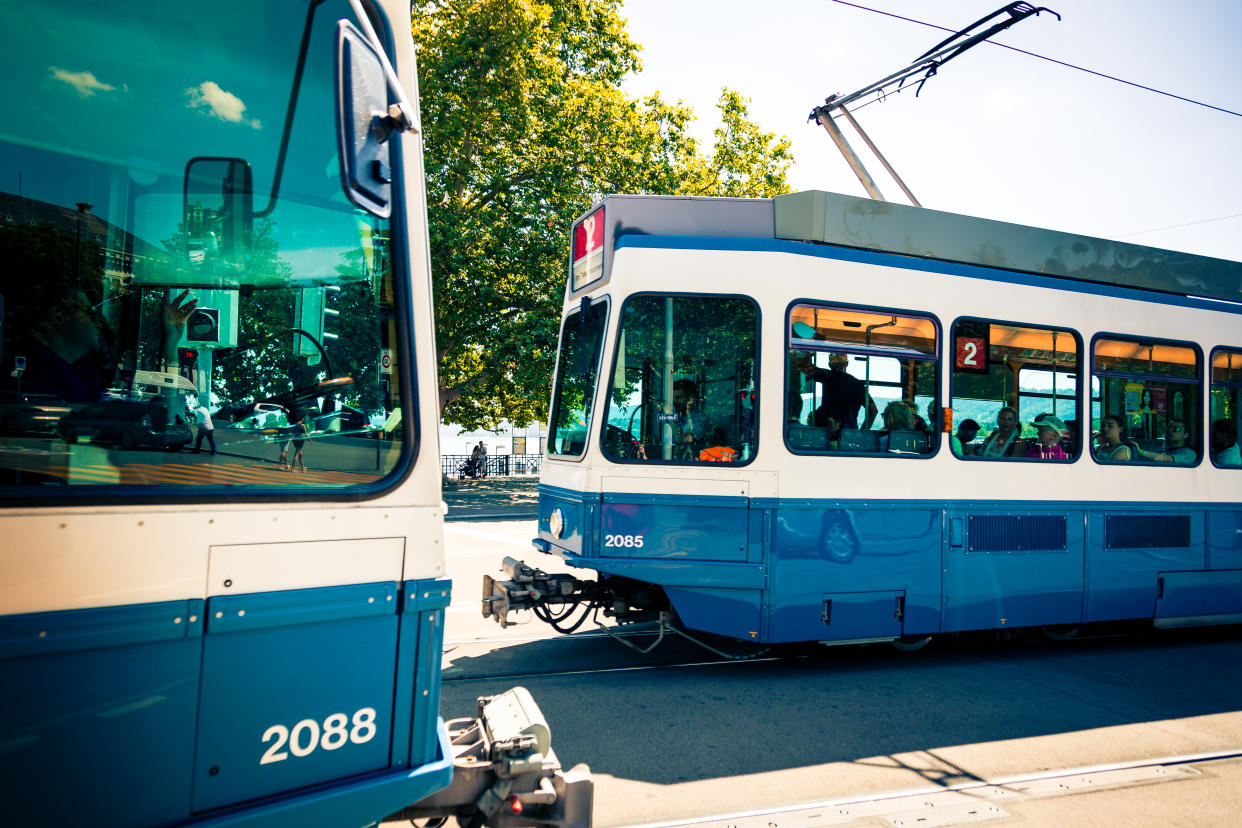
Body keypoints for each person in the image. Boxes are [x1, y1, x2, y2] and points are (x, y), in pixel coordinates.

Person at [795, 352, 877, 439]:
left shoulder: (827, 375)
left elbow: (802, 366)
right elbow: (873, 411)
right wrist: (861, 433)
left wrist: (809, 353)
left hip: (828, 433)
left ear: (830, 364)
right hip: (849, 434)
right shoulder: (858, 385)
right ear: (846, 364)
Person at [1130, 418, 1196, 464]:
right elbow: (1143, 442)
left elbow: (1166, 459)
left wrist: (1141, 452)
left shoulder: (1190, 454)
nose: (1170, 430)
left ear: (1186, 435)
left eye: (1176, 429)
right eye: (1168, 427)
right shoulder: (1160, 443)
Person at [673, 378, 708, 459]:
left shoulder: (700, 419)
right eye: (673, 398)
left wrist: (669, 417)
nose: (675, 401)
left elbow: (686, 440)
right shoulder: (678, 417)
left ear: (690, 399)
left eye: (678, 397)